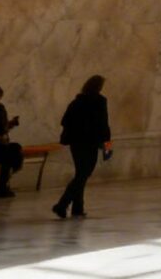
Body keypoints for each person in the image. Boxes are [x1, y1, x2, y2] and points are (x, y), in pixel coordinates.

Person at [52, 76, 111, 220]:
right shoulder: (99, 101)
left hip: (76, 143)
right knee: (84, 174)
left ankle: (78, 208)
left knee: (81, 173)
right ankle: (62, 204)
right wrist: (107, 144)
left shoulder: (76, 102)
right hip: (90, 142)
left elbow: (65, 121)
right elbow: (103, 124)